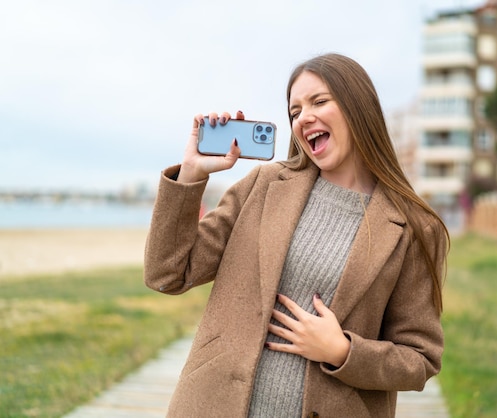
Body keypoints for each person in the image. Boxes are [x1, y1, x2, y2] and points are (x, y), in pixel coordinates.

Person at [144, 53, 449, 418]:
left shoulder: (413, 228)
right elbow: (166, 274)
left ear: (359, 108)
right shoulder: (263, 186)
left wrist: (342, 351)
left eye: (319, 101)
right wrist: (192, 174)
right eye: (295, 111)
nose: (304, 117)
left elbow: (420, 359)